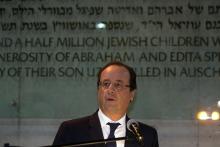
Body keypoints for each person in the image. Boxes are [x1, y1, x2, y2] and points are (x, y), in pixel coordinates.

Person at [53, 61, 159, 147]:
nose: (110, 90)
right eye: (106, 84)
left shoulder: (147, 136)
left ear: (131, 94)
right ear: (98, 90)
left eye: (118, 85)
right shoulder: (71, 131)